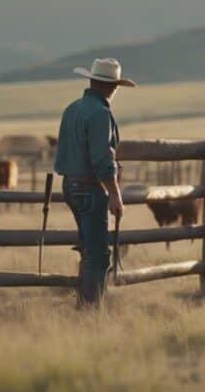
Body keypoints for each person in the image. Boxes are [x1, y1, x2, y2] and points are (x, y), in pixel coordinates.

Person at [53, 58, 136, 306]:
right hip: (90, 188)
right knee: (98, 255)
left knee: (89, 250)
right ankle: (90, 309)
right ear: (113, 87)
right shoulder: (100, 114)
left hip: (70, 185)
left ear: (91, 80)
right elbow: (101, 158)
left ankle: (84, 302)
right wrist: (114, 193)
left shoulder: (72, 109)